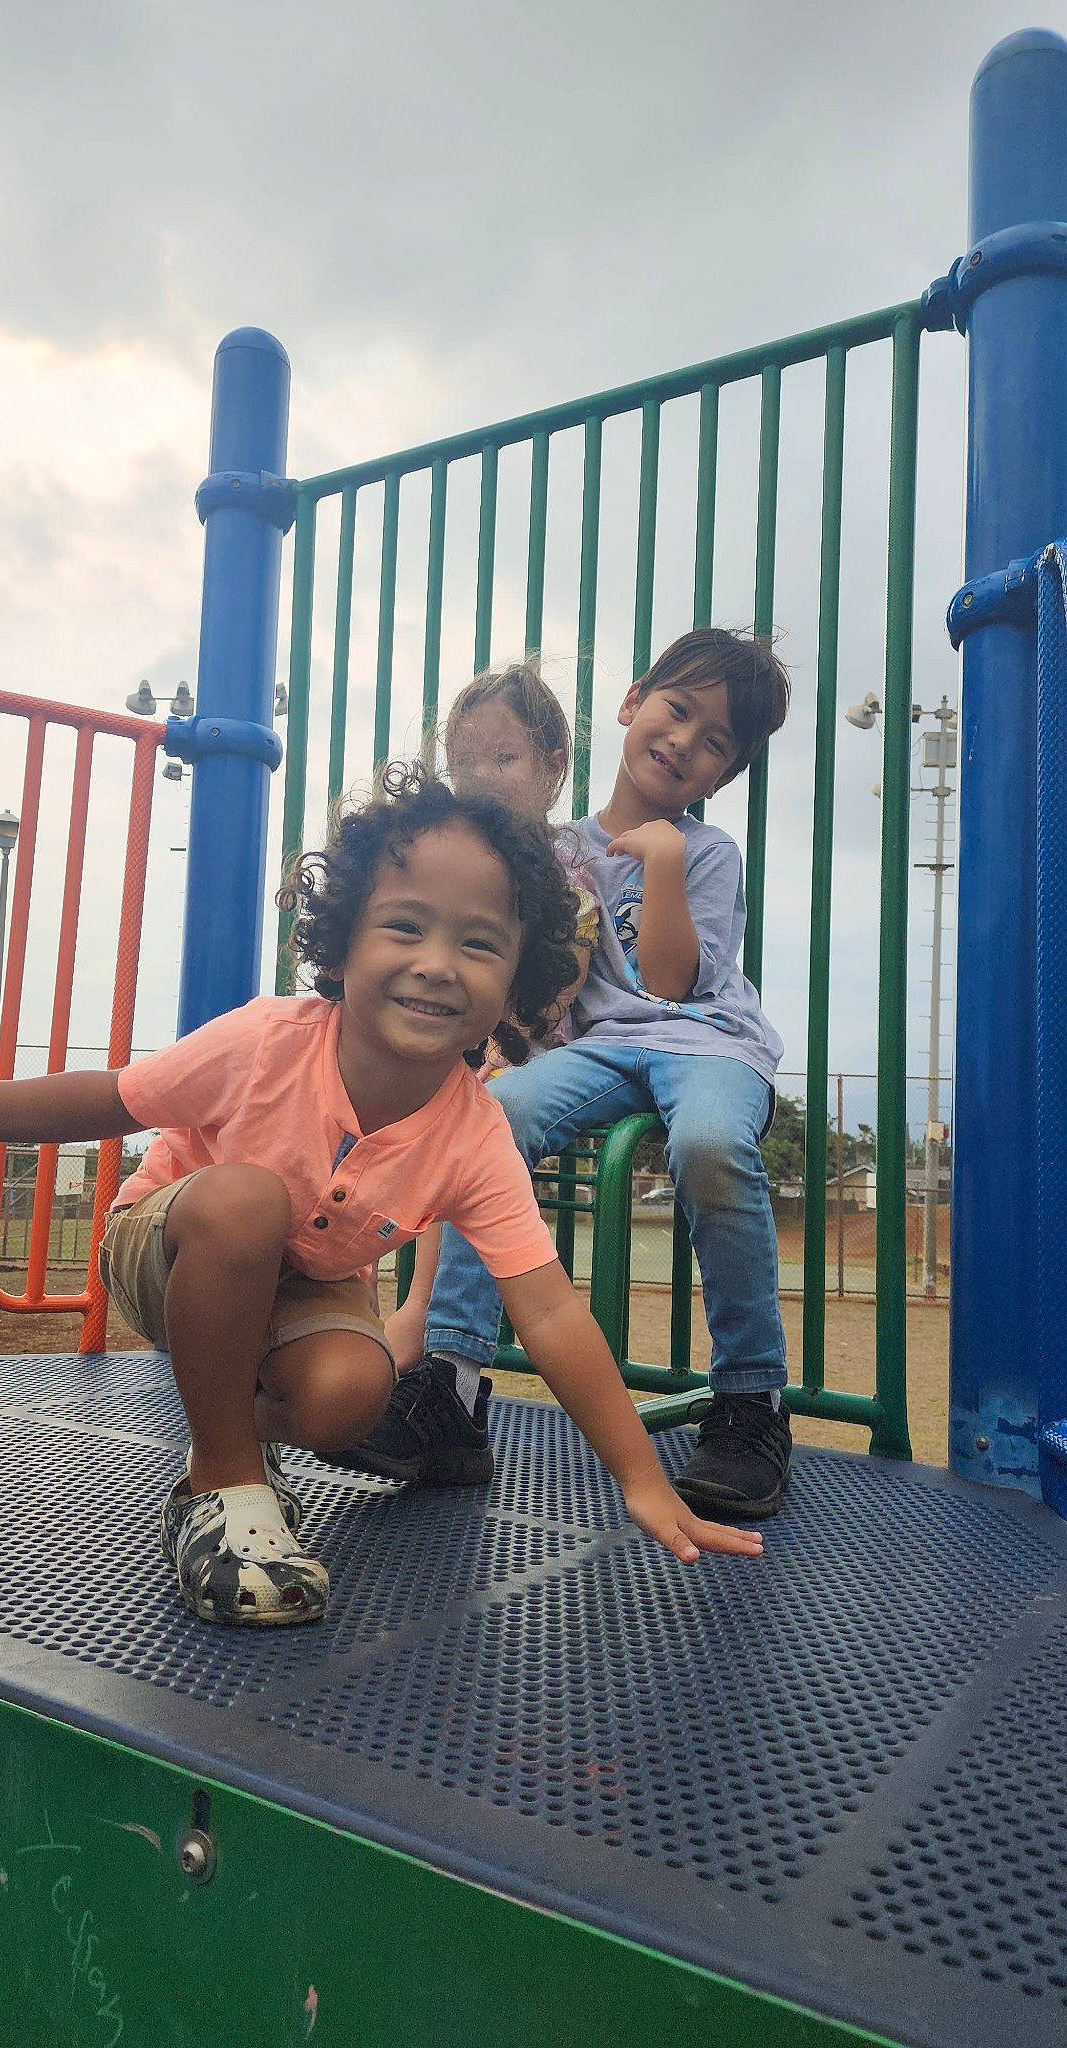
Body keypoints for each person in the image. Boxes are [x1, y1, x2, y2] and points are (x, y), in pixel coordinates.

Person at [0, 765, 764, 1630]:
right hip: (169, 1245)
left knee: (351, 1396)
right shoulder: (266, 1040)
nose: (436, 966)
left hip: (302, 1286)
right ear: (343, 941)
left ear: (519, 980)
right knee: (246, 1201)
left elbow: (546, 1312)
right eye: (404, 927)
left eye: (478, 944)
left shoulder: (474, 1133)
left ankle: (234, 1445)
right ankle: (222, 1482)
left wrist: (640, 1479)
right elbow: (114, 1096)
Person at [342, 630, 794, 1522]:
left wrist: (659, 861)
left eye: (715, 743)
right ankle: (453, 1391)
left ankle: (750, 1403)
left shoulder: (703, 853)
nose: (684, 742)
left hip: (708, 1043)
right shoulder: (557, 850)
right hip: (597, 1051)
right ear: (632, 703)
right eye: (677, 711)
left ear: (722, 774)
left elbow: (670, 982)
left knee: (707, 1147)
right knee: (491, 1120)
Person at [384, 661, 599, 1376]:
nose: (479, 777)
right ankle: (332, 1299)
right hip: (443, 1035)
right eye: (463, 761)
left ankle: (418, 1313)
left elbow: (547, 1002)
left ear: (551, 768)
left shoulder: (566, 869)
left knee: (464, 1106)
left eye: (503, 758)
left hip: (516, 1048)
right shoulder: (450, 853)